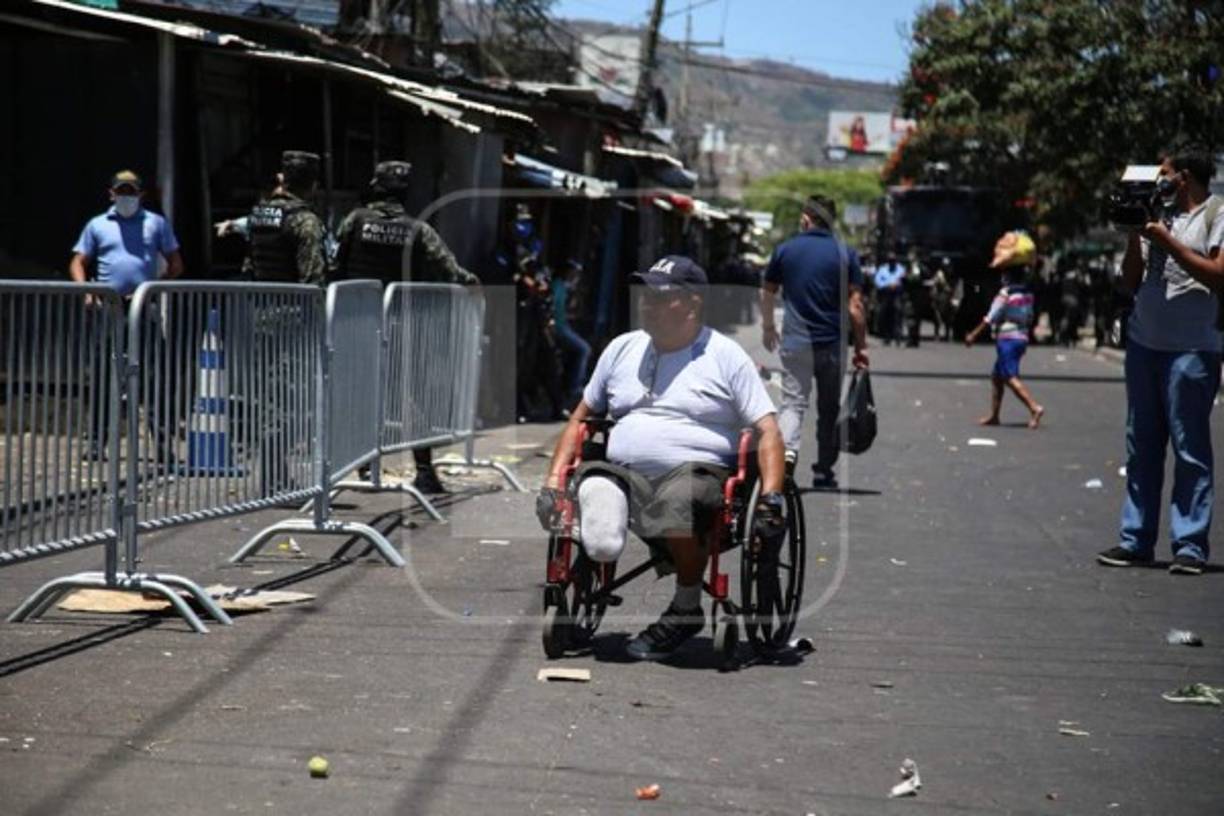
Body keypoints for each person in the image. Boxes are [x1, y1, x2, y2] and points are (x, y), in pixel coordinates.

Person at [537, 255, 786, 661]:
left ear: (691, 304)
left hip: (696, 472)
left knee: (678, 503)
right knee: (597, 512)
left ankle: (686, 607)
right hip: (623, 473)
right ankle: (590, 577)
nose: (647, 302)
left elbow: (768, 431)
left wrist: (772, 497)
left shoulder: (725, 356)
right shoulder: (621, 348)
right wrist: (552, 482)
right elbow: (580, 418)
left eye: (660, 295)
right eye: (646, 293)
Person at [1097, 145, 1224, 576]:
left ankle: (1189, 544)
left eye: (1165, 174)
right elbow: (1129, 279)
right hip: (1144, 344)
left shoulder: (1215, 215)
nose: (1159, 181)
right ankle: (1136, 540)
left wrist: (1164, 240)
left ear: (1184, 177)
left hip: (1193, 349)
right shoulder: (1157, 215)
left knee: (1190, 450)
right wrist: (1138, 232)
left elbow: (1218, 275)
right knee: (1142, 446)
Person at [335, 159, 480, 495]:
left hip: (358, 323)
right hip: (402, 327)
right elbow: (451, 269)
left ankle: (361, 463)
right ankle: (425, 471)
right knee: (413, 397)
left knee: (360, 393)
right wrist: (475, 285)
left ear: (375, 186)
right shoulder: (419, 230)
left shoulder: (355, 221)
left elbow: (335, 265)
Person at [70, 169, 183, 461]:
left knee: (153, 377)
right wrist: (86, 292)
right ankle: (96, 442)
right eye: (122, 191)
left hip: (143, 307)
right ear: (111, 194)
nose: (126, 197)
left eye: (131, 191)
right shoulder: (97, 225)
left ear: (141, 195)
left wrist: (154, 289)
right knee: (102, 376)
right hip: (109, 308)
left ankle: (161, 444)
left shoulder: (155, 224)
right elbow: (78, 262)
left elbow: (175, 264)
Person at [760, 195, 869, 489]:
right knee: (828, 407)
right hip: (832, 345)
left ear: (807, 219)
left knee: (793, 404)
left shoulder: (785, 250)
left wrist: (769, 327)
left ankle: (788, 456)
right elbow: (855, 308)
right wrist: (861, 347)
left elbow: (767, 292)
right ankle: (823, 470)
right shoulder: (846, 254)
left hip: (795, 343)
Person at [964, 238, 1044, 429]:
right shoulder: (1027, 294)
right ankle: (994, 415)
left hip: (1008, 338)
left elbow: (989, 317)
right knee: (997, 376)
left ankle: (1034, 407)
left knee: (1009, 376)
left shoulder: (1005, 294)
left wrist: (973, 335)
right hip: (1022, 337)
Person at [243, 150, 327, 286]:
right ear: (313, 185)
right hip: (292, 305)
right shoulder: (306, 221)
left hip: (258, 304)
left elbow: (248, 267)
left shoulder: (257, 215)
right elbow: (313, 279)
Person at [552, 259, 592, 410]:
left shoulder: (563, 288)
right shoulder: (558, 287)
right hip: (559, 329)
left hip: (564, 327)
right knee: (584, 349)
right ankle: (575, 388)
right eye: (573, 274)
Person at [873, 252, 905, 345]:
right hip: (886, 294)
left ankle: (898, 336)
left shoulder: (900, 269)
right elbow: (877, 281)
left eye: (893, 261)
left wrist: (896, 285)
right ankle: (887, 337)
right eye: (890, 261)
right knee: (885, 315)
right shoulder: (883, 269)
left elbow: (903, 280)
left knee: (898, 314)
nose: (892, 263)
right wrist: (887, 285)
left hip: (896, 294)